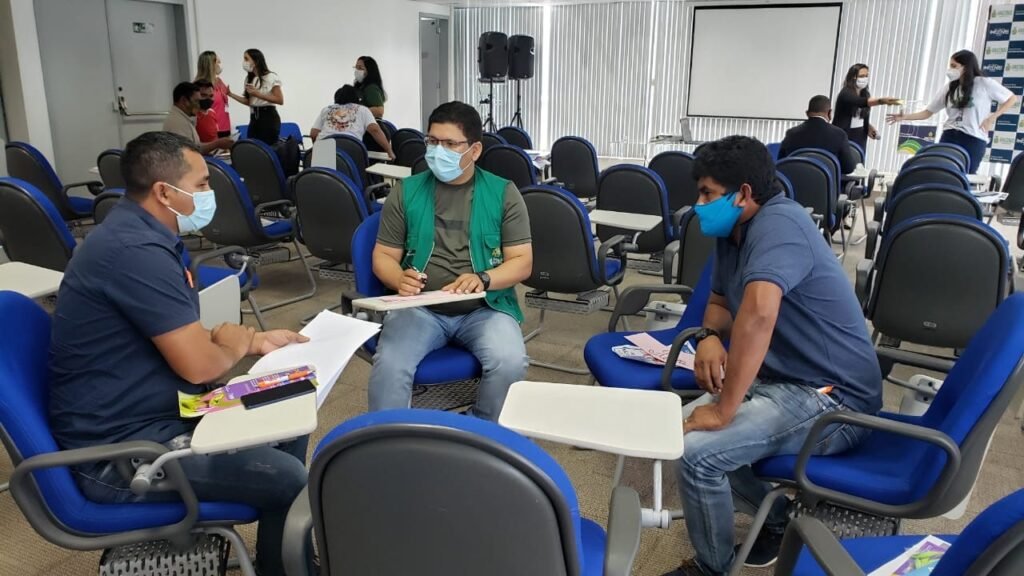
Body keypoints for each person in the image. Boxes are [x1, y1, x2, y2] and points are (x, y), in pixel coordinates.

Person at [48, 132, 314, 576]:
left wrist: (251, 341)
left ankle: (281, 560)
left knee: (287, 404)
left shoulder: (143, 235)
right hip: (118, 453)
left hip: (165, 410)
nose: (210, 192)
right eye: (202, 183)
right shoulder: (134, 252)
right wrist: (232, 343)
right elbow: (199, 364)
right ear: (164, 192)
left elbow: (175, 333)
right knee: (288, 478)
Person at [662, 136, 882, 576]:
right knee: (673, 434)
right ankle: (778, 520)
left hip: (834, 400)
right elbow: (720, 302)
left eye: (707, 194)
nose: (699, 205)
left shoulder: (780, 225)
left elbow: (758, 315)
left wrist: (723, 411)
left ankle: (711, 569)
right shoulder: (733, 233)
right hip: (784, 382)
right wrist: (708, 336)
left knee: (697, 454)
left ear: (743, 193)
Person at [368, 102, 532, 421]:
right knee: (391, 364)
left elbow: (522, 262)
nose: (437, 151)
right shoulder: (407, 191)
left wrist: (483, 278)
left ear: (474, 150)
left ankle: (481, 431)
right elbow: (384, 256)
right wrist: (398, 278)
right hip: (419, 307)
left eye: (449, 143)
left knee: (510, 362)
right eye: (432, 141)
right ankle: (387, 437)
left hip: (485, 308)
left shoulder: (503, 194)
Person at [887, 50, 1018, 174]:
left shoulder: (984, 83)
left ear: (965, 67)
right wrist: (904, 117)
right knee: (941, 172)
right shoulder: (950, 87)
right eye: (950, 65)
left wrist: (991, 118)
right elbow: (928, 112)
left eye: (954, 66)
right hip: (949, 136)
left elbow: (1011, 98)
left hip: (973, 138)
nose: (950, 69)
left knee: (967, 175)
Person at [778, 95, 859, 174]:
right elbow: (849, 168)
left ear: (807, 113)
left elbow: (781, 163)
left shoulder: (791, 133)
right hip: (828, 183)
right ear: (829, 113)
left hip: (794, 182)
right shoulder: (840, 134)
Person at [310, 85, 394, 159]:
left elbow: (313, 133)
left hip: (324, 147)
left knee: (322, 171)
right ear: (357, 98)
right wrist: (389, 151)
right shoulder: (363, 109)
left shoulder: (327, 109)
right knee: (353, 171)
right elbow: (375, 130)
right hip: (351, 148)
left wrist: (317, 146)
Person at [832, 63, 901, 152]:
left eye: (866, 76)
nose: (864, 78)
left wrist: (868, 127)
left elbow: (860, 117)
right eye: (861, 76)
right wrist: (882, 101)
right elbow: (860, 102)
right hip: (844, 134)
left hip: (860, 134)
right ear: (853, 77)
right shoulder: (845, 93)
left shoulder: (865, 94)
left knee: (859, 158)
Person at [228, 48, 284, 145]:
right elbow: (249, 102)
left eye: (246, 59)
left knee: (267, 147)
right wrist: (230, 94)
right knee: (252, 146)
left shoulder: (271, 76)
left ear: (256, 61)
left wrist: (258, 94)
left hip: (268, 117)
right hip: (254, 117)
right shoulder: (249, 78)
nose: (244, 62)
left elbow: (279, 100)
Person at [162, 82, 232, 155]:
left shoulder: (184, 118)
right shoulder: (177, 123)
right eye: (196, 101)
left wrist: (217, 144)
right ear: (184, 101)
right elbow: (190, 152)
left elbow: (195, 145)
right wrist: (217, 144)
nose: (199, 105)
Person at [195, 50, 232, 138]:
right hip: (210, 129)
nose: (219, 64)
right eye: (217, 62)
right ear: (210, 65)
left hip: (225, 128)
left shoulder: (219, 81)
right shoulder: (199, 85)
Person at [194, 80, 219, 144]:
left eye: (211, 96)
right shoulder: (192, 116)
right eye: (204, 95)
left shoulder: (212, 112)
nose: (208, 99)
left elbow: (215, 135)